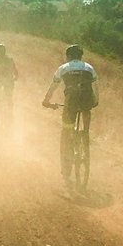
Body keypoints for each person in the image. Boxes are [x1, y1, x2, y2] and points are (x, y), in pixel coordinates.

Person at [42, 44, 99, 185]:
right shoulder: (89, 67)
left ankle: (66, 161)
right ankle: (85, 134)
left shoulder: (63, 68)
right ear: (81, 56)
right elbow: (95, 87)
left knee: (66, 129)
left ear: (68, 56)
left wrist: (46, 101)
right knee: (86, 111)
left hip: (71, 101)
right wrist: (96, 101)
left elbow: (53, 86)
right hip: (87, 100)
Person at [0, 43, 18, 121]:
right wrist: (15, 77)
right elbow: (15, 70)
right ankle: (10, 113)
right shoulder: (10, 59)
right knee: (9, 97)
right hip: (8, 81)